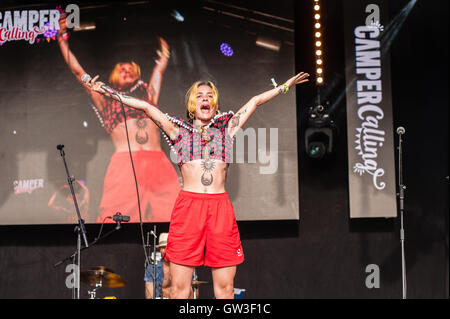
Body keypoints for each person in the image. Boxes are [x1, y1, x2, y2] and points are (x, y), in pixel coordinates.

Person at [85, 71, 310, 299]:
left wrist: (285, 86)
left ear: (215, 103)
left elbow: (255, 101)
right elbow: (145, 107)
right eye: (200, 95)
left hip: (219, 208)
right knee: (178, 289)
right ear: (193, 104)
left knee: (225, 289)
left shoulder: (227, 130)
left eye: (209, 95)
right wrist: (107, 92)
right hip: (188, 208)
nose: (205, 98)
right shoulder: (178, 132)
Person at [56, 16, 180, 223]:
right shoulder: (104, 97)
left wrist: (165, 53)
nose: (126, 70)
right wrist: (62, 39)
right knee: (116, 220)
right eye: (121, 69)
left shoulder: (149, 96)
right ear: (114, 75)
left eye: (130, 68)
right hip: (125, 164)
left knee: (174, 219)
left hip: (158, 162)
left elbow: (159, 70)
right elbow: (78, 73)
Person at [144, 232, 195, 299]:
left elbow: (194, 291)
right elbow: (149, 295)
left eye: (168, 247)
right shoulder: (152, 268)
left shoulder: (185, 267)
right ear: (160, 249)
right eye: (163, 247)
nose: (165, 251)